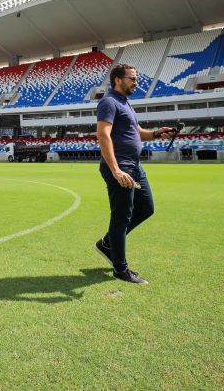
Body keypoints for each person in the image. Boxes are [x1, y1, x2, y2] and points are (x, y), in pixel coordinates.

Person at [94, 64, 175, 285]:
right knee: (121, 216)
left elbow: (138, 133)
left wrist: (158, 133)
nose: (136, 83)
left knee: (147, 208)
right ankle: (120, 269)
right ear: (118, 80)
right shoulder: (108, 102)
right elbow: (103, 135)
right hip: (121, 167)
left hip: (135, 166)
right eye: (132, 79)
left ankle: (107, 243)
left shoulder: (125, 102)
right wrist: (116, 170)